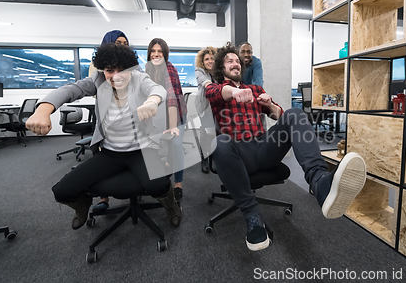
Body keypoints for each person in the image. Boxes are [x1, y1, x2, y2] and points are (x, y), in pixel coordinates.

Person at [206, 42, 366, 251]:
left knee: (294, 114)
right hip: (237, 154)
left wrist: (269, 105)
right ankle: (253, 218)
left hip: (263, 148)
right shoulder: (214, 88)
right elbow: (218, 94)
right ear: (221, 68)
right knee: (220, 142)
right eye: (229, 61)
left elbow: (279, 116)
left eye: (237, 61)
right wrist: (234, 93)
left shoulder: (255, 89)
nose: (235, 64)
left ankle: (320, 183)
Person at [26, 44, 182, 230]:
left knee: (159, 185)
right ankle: (82, 205)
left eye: (122, 69)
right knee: (63, 191)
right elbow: (70, 90)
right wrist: (43, 109)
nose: (116, 75)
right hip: (110, 153)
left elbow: (157, 90)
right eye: (110, 70)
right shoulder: (98, 81)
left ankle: (172, 205)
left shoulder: (139, 78)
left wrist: (152, 102)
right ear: (102, 70)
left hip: (141, 150)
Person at [91, 30, 132, 213]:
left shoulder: (134, 69)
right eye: (118, 43)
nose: (121, 46)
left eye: (125, 43)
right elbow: (80, 88)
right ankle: (104, 198)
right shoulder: (99, 71)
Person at [145, 38, 187, 201]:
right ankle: (157, 181)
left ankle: (178, 184)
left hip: (175, 116)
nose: (156, 54)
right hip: (157, 117)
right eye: (153, 51)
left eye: (160, 51)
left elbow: (171, 98)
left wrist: (172, 127)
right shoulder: (146, 70)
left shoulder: (169, 69)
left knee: (175, 144)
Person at [194, 46, 217, 173]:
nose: (210, 61)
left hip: (217, 107)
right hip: (204, 106)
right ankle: (204, 159)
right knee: (206, 133)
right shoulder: (199, 71)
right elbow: (204, 82)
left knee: (215, 133)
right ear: (203, 62)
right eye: (207, 59)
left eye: (212, 58)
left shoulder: (219, 72)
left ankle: (213, 158)